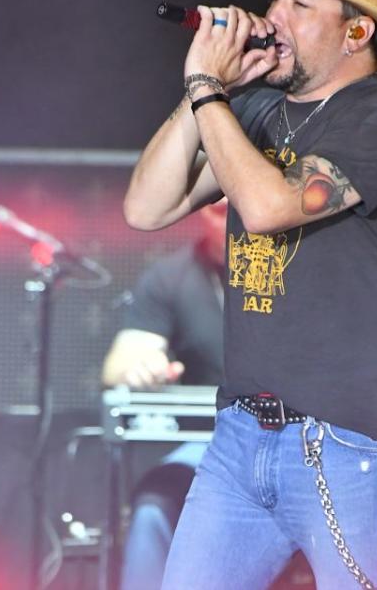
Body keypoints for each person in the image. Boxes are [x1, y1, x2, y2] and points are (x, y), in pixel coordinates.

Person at [122, 0, 377, 590]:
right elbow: (146, 207)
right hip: (241, 440)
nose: (273, 17)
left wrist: (212, 91)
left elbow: (268, 207)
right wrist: (204, 93)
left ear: (358, 31)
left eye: (299, 4)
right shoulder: (260, 113)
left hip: (352, 448)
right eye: (274, 0)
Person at [101, 198, 226, 590]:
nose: (228, 208)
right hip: (208, 449)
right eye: (217, 201)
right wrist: (141, 367)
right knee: (153, 507)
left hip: (296, 446)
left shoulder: (302, 271)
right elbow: (119, 364)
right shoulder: (171, 277)